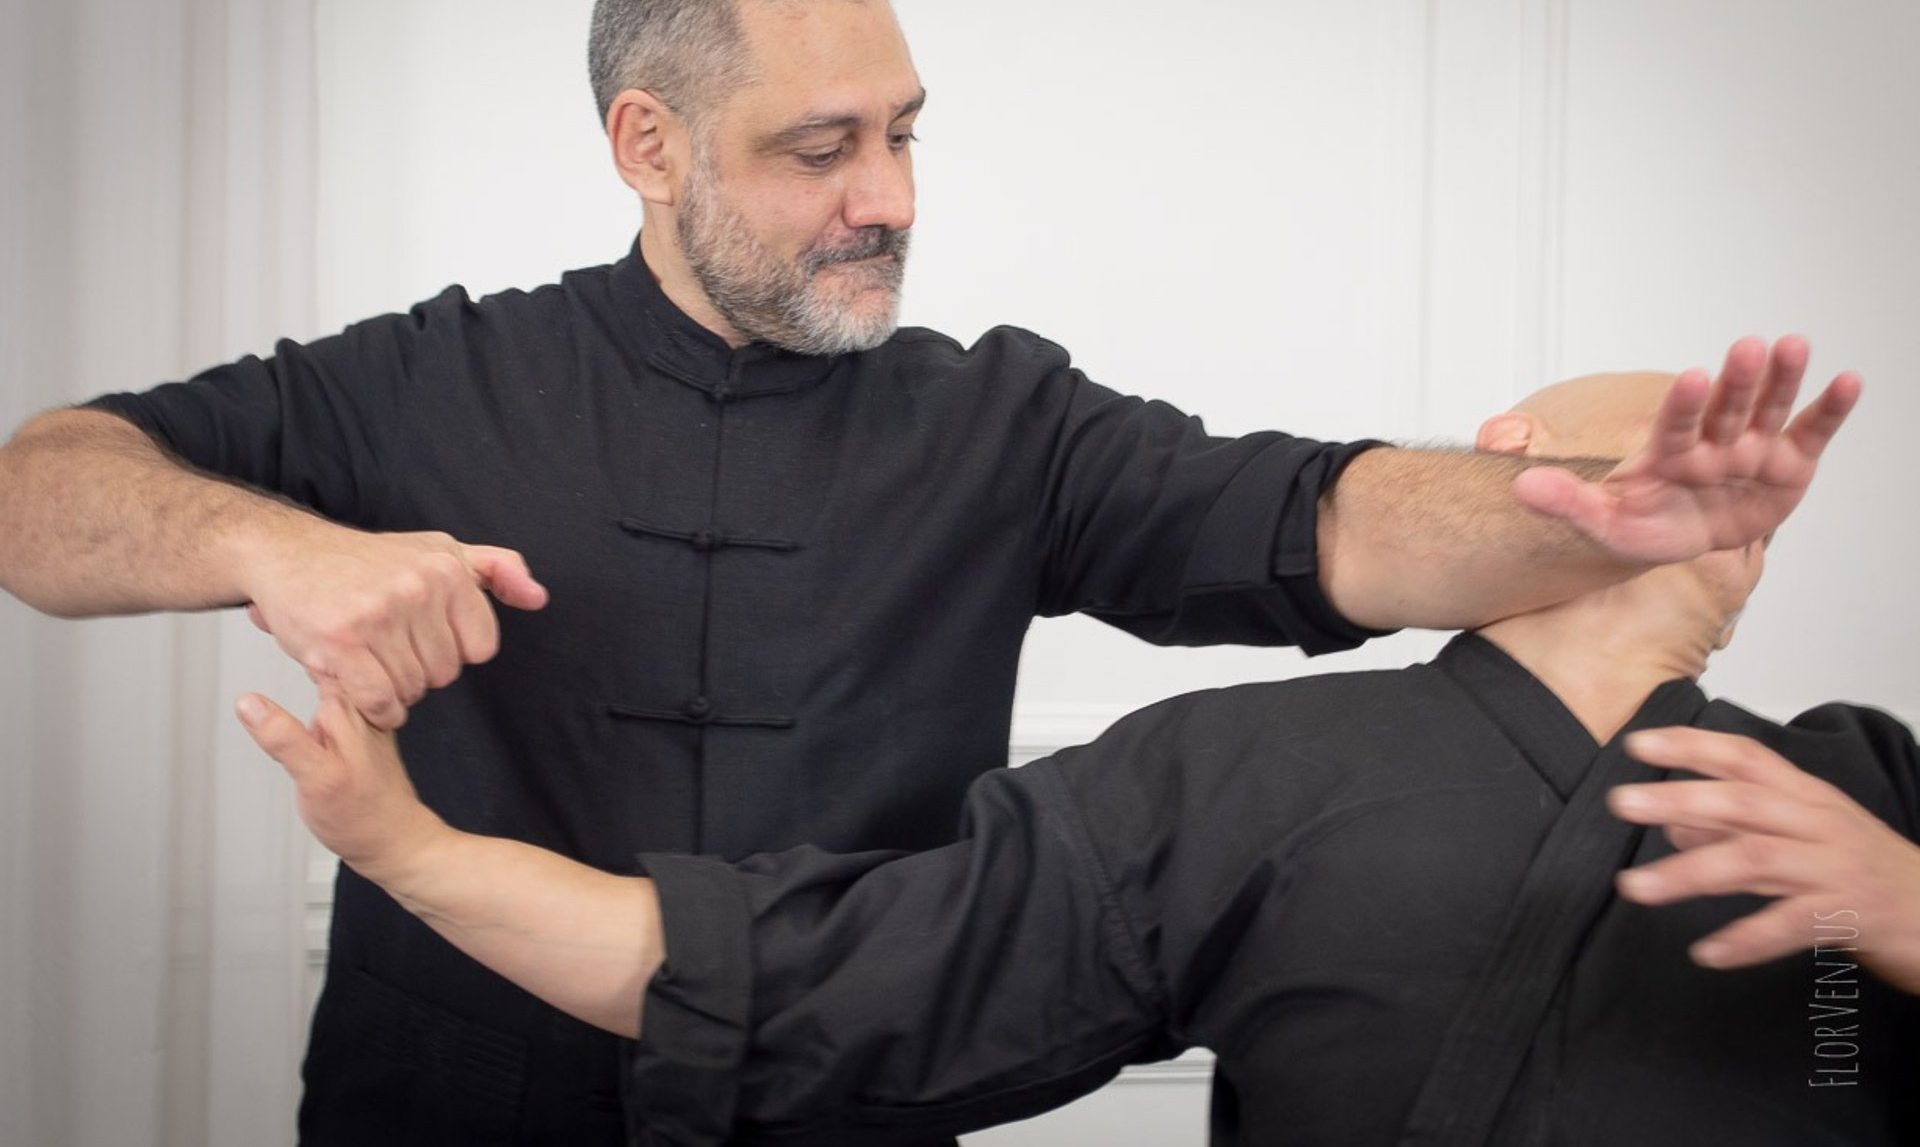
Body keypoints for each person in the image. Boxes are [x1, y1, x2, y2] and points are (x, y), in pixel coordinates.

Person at [0, 0, 1862, 1143]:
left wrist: (1597, 515)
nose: (887, 196)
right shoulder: (421, 381)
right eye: (822, 149)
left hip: (846, 1105)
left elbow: (1334, 523)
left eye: (905, 132)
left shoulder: (1007, 419)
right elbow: (40, 492)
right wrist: (275, 547)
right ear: (649, 145)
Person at [241, 371, 1920, 1146]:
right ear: (1505, 486)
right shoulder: (1241, 771)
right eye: (1664, 453)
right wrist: (404, 851)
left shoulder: (1878, 789)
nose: (1704, 490)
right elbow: (803, 979)